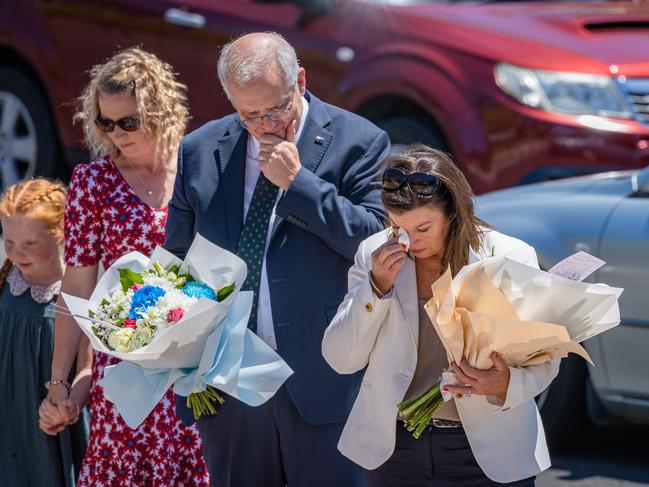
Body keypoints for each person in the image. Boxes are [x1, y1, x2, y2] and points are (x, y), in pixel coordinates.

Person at [164, 32, 390, 486]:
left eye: (277, 109)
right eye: (250, 115)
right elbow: (176, 259)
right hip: (231, 382)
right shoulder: (200, 151)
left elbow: (375, 242)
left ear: (300, 81)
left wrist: (299, 184)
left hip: (323, 379)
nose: (266, 124)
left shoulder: (359, 142)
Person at [322, 145, 561, 486]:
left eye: (423, 228)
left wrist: (506, 383)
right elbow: (341, 358)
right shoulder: (372, 254)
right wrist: (375, 288)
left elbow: (545, 358)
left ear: (453, 212)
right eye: (397, 228)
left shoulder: (509, 255)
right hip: (396, 451)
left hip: (488, 453)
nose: (409, 242)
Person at [38, 47, 210, 486]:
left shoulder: (199, 170)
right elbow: (76, 286)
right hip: (125, 370)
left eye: (128, 121)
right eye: (105, 122)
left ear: (161, 111)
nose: (116, 133)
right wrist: (58, 381)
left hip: (197, 367)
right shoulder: (93, 183)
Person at [0, 178, 87, 486]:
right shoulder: (8, 283)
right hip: (9, 418)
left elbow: (88, 366)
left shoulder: (75, 290)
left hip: (51, 418)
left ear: (61, 232)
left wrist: (69, 406)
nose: (16, 253)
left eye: (30, 244)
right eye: (8, 241)